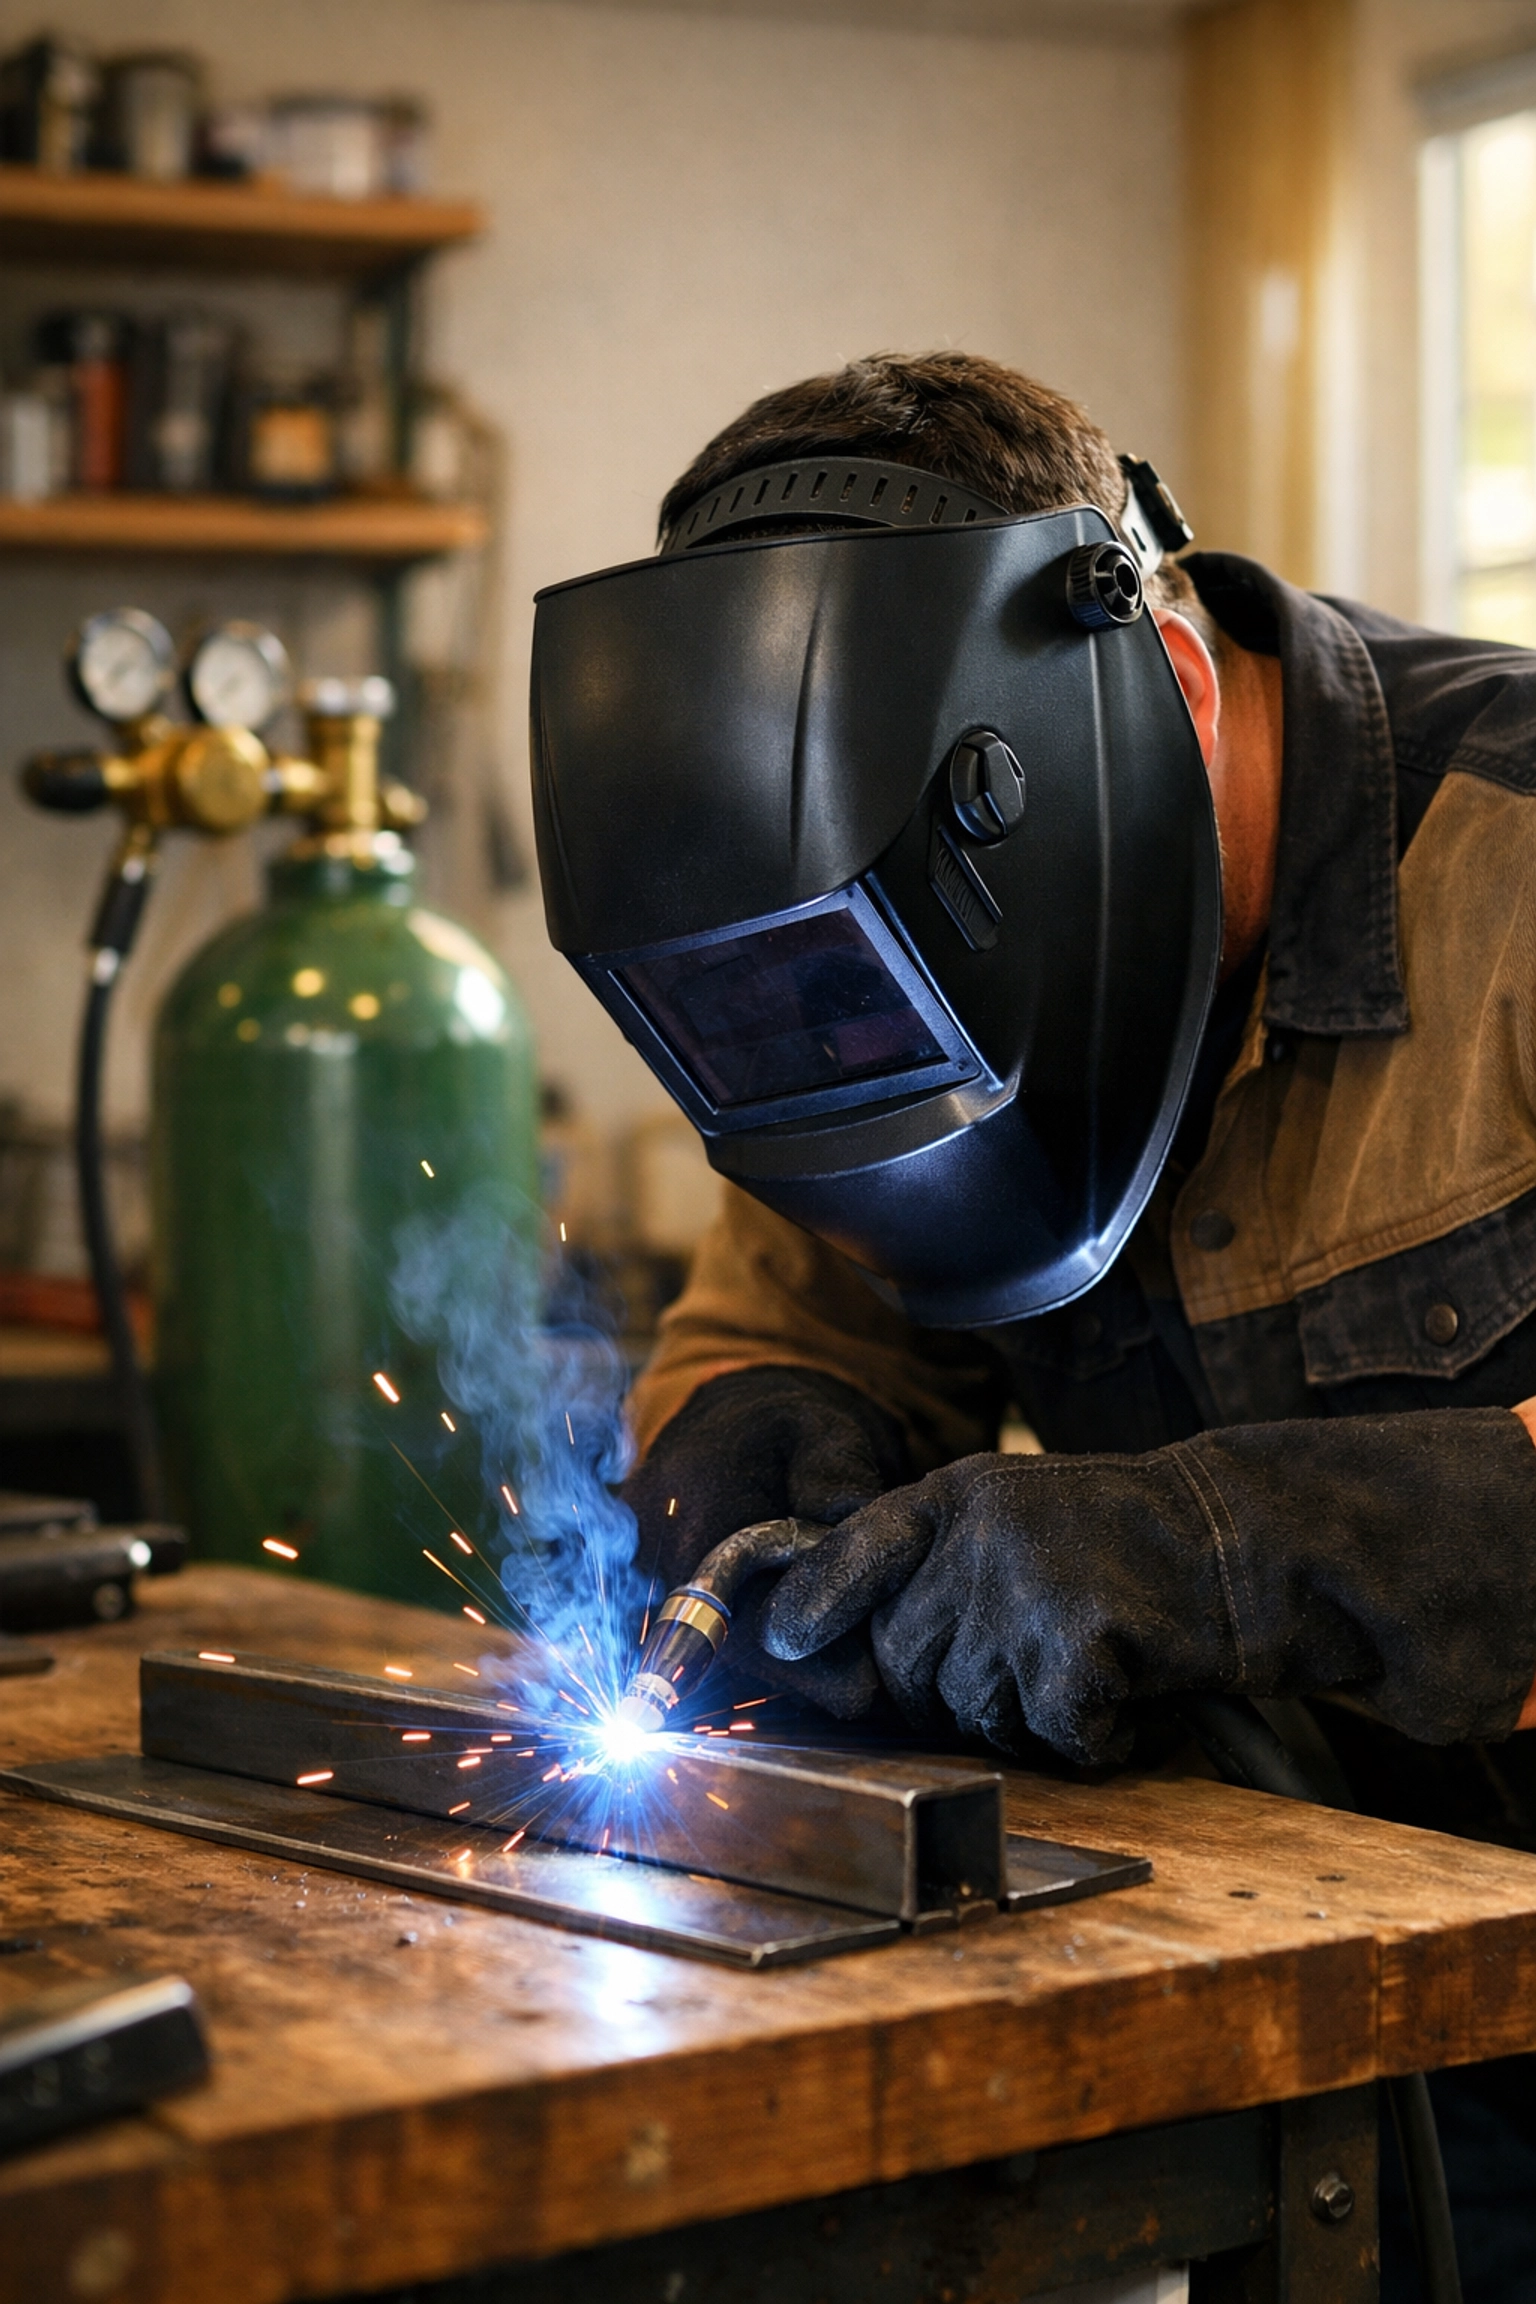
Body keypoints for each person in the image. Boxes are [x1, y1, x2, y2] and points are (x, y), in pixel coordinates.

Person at [591, 352, 1536, 2298]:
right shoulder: (851, 940)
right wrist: (755, 1436)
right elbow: (780, 1311)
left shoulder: (1514, 861)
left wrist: (1235, 1552)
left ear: (1167, 696)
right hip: (1351, 1992)